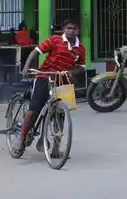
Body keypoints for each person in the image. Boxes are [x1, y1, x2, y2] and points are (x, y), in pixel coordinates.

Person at [16, 19, 85, 155]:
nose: (71, 31)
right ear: (64, 29)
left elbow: (81, 67)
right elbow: (36, 52)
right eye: (69, 28)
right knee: (35, 108)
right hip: (44, 77)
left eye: (74, 28)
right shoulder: (54, 40)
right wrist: (26, 66)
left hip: (62, 81)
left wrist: (72, 72)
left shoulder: (80, 48)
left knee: (60, 114)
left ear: (78, 31)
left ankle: (56, 149)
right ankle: (21, 140)